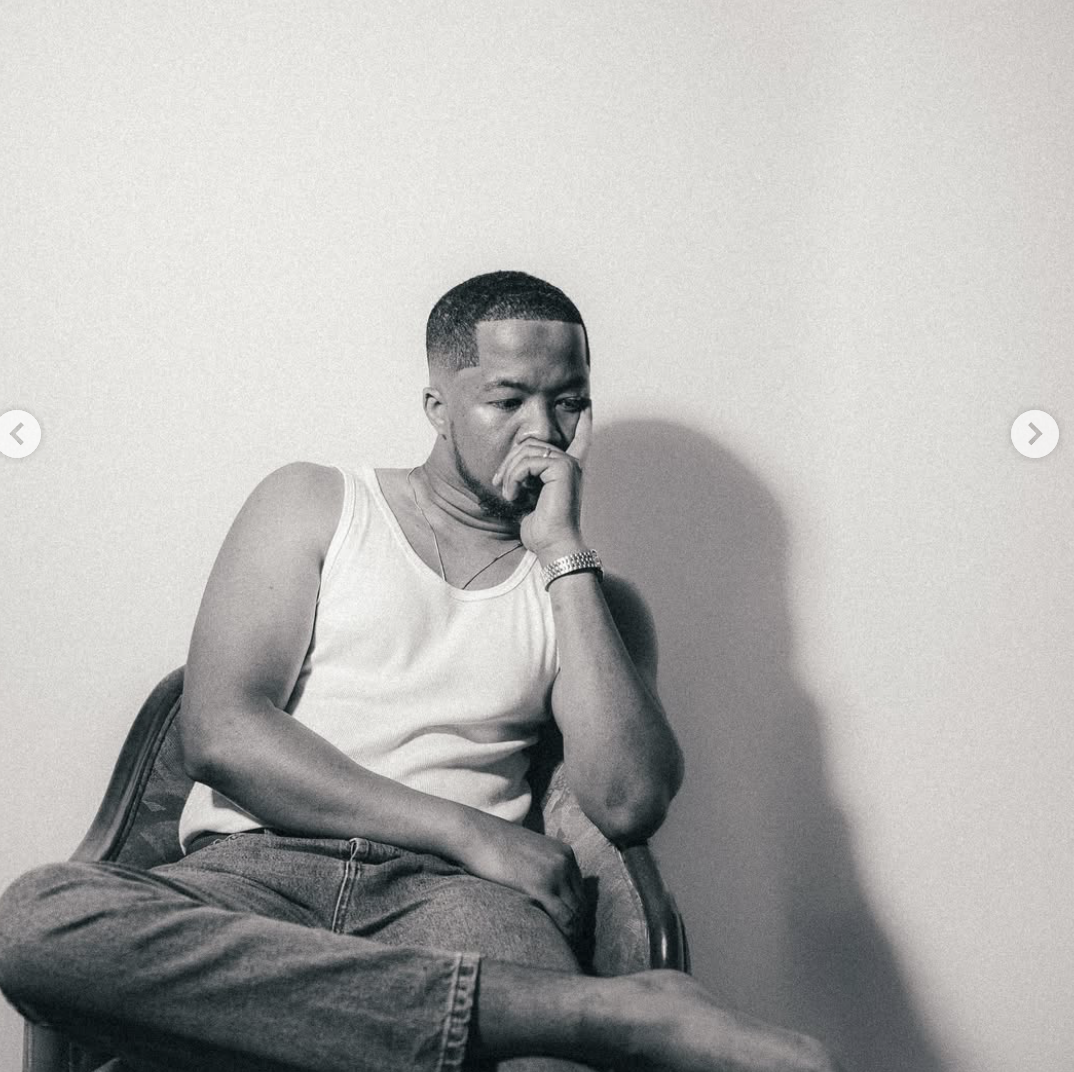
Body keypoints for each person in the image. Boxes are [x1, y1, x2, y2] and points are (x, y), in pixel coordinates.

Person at [0, 272, 841, 1072]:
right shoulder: (314, 503)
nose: (545, 432)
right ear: (439, 408)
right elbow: (221, 733)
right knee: (37, 924)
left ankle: (462, 1021)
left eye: (571, 402)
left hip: (458, 903)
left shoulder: (590, 597)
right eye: (509, 401)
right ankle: (600, 1014)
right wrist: (472, 831)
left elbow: (629, 803)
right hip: (256, 876)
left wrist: (561, 554)